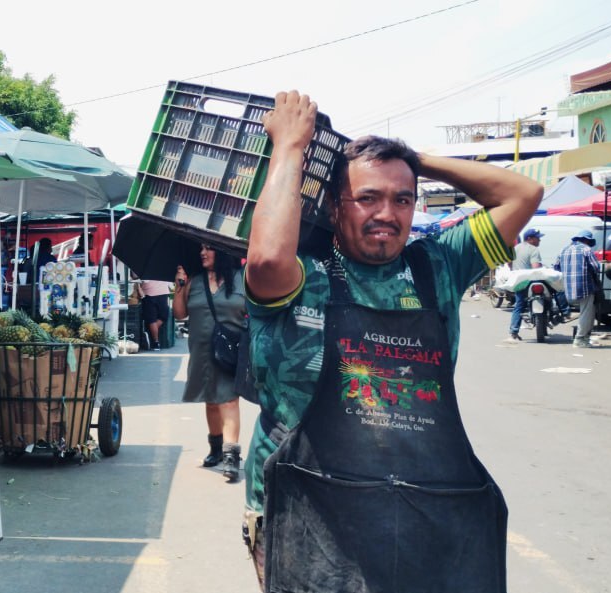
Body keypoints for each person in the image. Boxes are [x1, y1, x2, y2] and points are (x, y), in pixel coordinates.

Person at [243, 90, 541, 590]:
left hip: (421, 505)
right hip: (303, 511)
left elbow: (523, 195)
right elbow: (267, 260)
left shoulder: (438, 266)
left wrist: (412, 160)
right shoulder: (302, 277)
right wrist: (291, 146)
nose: (388, 212)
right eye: (368, 197)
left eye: (402, 198)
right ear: (335, 208)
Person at [173, 245, 246, 482]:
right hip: (201, 351)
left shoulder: (241, 278)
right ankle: (215, 448)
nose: (203, 253)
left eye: (209, 249)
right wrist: (179, 286)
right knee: (211, 400)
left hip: (229, 350)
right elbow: (179, 314)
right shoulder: (194, 281)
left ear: (223, 252)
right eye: (201, 249)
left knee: (229, 399)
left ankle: (231, 457)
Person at [554, 230, 601, 348]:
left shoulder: (563, 250)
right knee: (587, 313)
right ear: (587, 240)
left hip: (568, 290)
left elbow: (556, 267)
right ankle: (580, 339)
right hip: (584, 287)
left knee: (585, 312)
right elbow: (596, 267)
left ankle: (583, 338)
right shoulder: (586, 250)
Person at [508, 228, 543, 342]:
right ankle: (563, 312)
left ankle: (513, 331)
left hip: (519, 281)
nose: (539, 240)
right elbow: (536, 268)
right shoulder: (533, 250)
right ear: (530, 239)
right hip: (531, 280)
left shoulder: (516, 248)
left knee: (519, 305)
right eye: (537, 238)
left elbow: (509, 263)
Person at [138, 277, 173, 350]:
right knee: (159, 317)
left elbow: (136, 280)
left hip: (153, 293)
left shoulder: (145, 267)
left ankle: (152, 337)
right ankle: (155, 341)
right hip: (157, 293)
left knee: (154, 319)